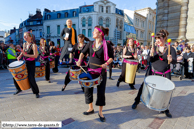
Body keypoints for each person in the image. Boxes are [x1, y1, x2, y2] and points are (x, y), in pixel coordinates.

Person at [132, 29, 177, 118]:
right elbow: (149, 60)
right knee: (143, 87)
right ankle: (137, 101)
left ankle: (165, 108)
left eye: (159, 39)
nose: (157, 41)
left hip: (165, 73)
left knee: (166, 91)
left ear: (164, 38)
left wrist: (171, 60)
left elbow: (174, 61)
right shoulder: (154, 48)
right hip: (152, 71)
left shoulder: (170, 49)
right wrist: (151, 54)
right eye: (156, 39)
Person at [76, 26, 113, 122]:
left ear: (100, 33)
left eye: (95, 31)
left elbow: (111, 57)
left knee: (101, 92)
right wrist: (80, 60)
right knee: (87, 89)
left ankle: (100, 112)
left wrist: (106, 64)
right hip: (90, 70)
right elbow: (82, 53)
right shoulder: (90, 43)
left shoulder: (106, 44)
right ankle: (91, 108)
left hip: (101, 72)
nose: (92, 32)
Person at [16, 31, 40, 98]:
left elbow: (35, 56)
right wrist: (20, 56)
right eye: (24, 36)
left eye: (26, 35)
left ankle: (36, 92)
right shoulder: (24, 44)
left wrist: (26, 55)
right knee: (17, 75)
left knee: (31, 78)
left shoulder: (33, 45)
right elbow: (23, 52)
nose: (24, 37)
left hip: (31, 63)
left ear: (30, 37)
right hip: (24, 62)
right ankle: (19, 89)